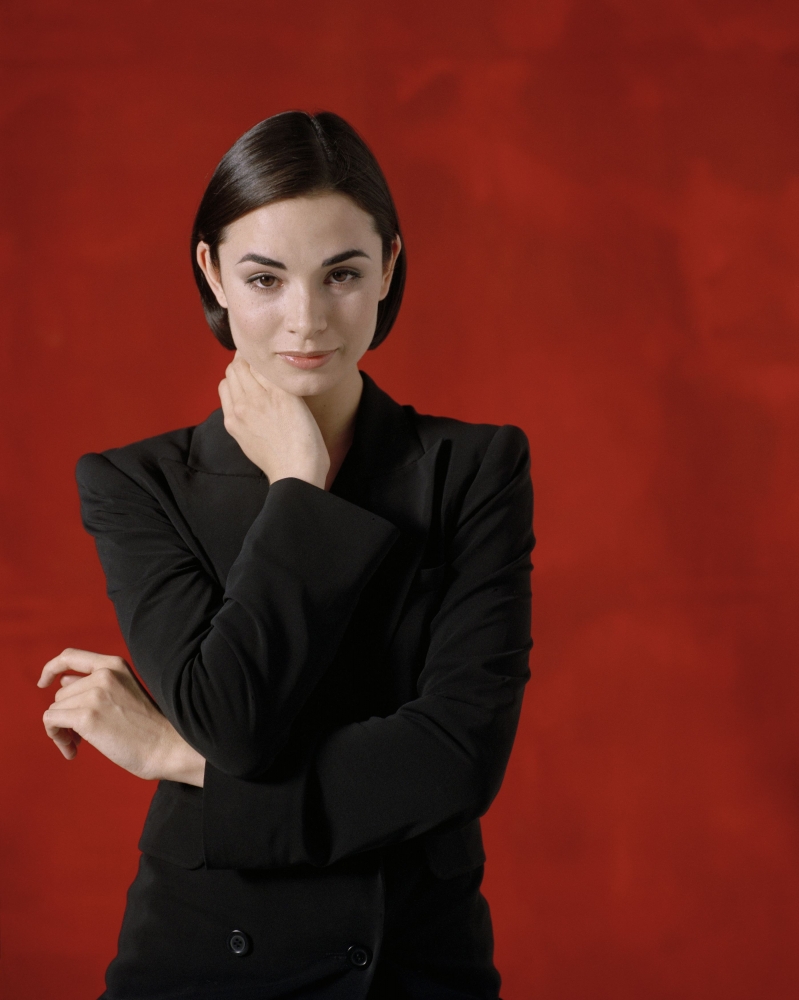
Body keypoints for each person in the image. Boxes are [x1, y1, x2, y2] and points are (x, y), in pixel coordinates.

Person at [37, 110, 534, 1000]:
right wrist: (299, 483)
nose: (306, 321)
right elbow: (234, 721)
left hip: (412, 964)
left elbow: (453, 761)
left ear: (388, 266)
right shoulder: (136, 484)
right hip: (201, 961)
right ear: (212, 273)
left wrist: (176, 759)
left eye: (341, 273)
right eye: (264, 278)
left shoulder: (474, 467)